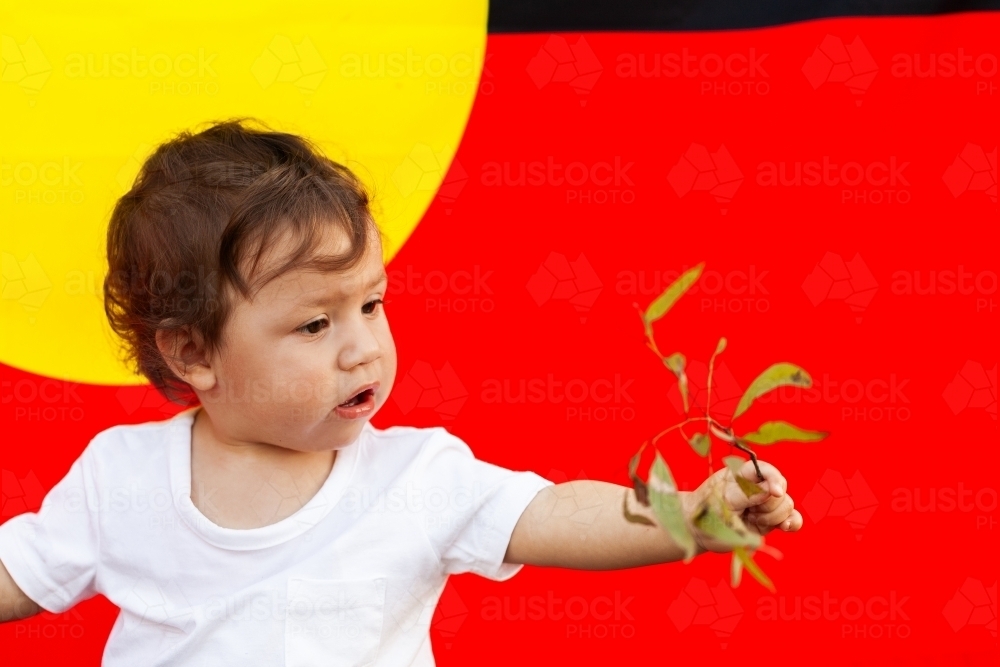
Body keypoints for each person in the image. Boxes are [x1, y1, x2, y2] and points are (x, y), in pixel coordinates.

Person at [0, 119, 801, 666]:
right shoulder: (122, 477)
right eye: (315, 324)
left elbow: (553, 513)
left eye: (373, 304)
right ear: (192, 351)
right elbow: (20, 571)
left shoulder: (417, 477)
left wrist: (688, 513)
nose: (362, 346)